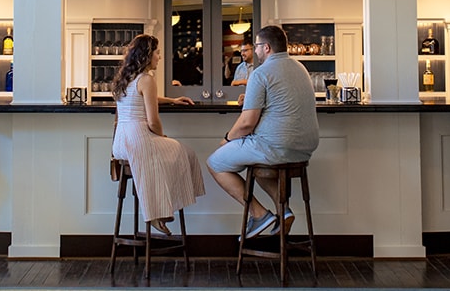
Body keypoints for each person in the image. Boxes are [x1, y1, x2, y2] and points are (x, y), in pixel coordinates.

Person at [208, 25, 319, 239]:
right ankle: (283, 212)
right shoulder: (300, 68)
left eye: (257, 46)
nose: (255, 51)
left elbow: (247, 123)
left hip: (276, 147)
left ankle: (259, 215)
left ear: (266, 47)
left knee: (215, 163)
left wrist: (227, 139)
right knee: (256, 160)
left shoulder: (261, 73)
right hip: (304, 148)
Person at [110, 34, 204, 234]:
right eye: (157, 53)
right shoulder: (147, 79)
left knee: (170, 154)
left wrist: (171, 100)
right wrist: (161, 137)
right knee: (186, 153)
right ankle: (159, 211)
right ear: (147, 55)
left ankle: (161, 209)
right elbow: (153, 121)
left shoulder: (124, 78)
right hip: (138, 140)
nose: (159, 57)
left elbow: (141, 98)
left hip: (121, 143)